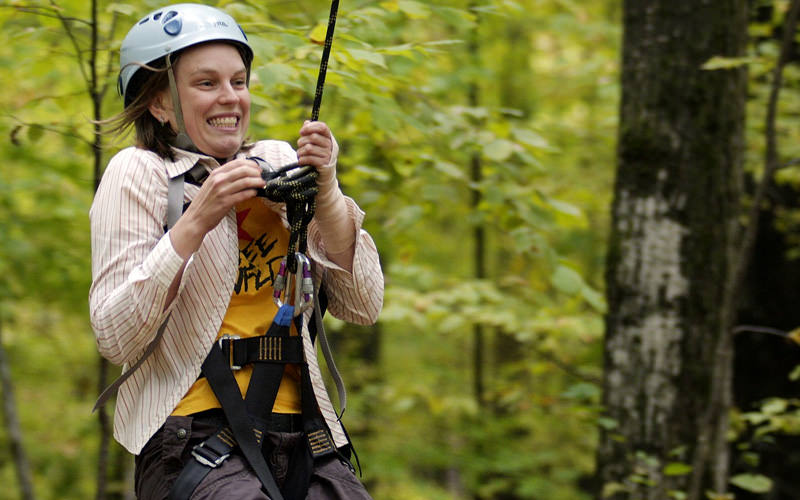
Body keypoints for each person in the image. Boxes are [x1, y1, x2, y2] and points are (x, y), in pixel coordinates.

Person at [89, 4, 383, 499]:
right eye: (207, 84)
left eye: (239, 81)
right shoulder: (139, 172)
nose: (230, 98)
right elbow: (115, 336)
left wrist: (327, 189)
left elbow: (363, 304)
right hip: (191, 435)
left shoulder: (279, 163)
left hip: (308, 432)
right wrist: (198, 217)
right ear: (159, 101)